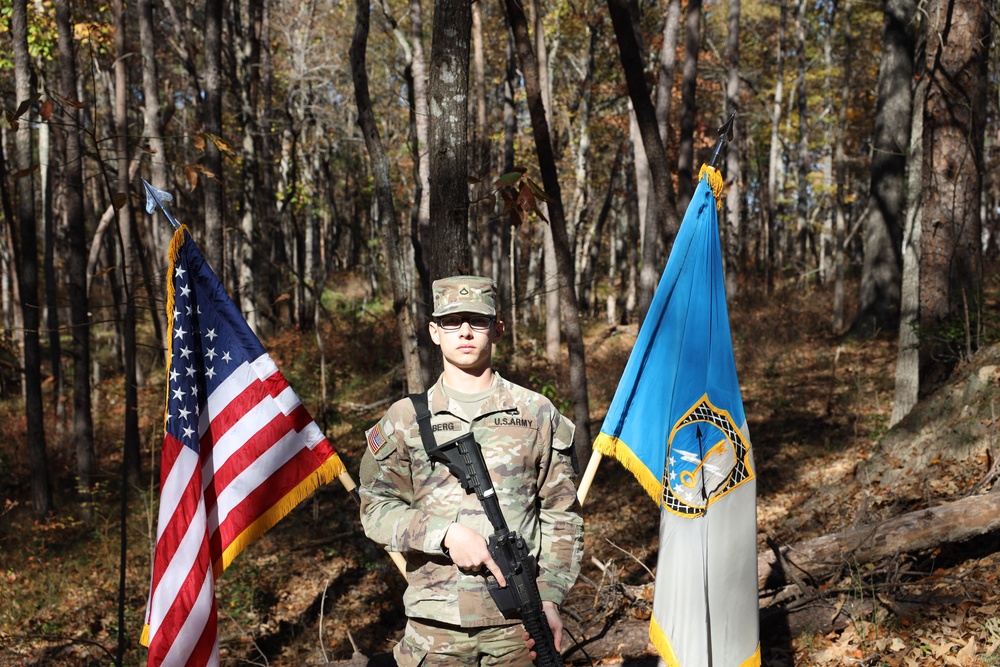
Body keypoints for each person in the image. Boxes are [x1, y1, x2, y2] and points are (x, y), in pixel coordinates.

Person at [359, 275, 584, 666]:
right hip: (434, 630)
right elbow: (375, 509)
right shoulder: (405, 419)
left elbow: (561, 516)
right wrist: (443, 534)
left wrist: (550, 596)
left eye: (477, 321)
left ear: (497, 329)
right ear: (434, 331)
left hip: (517, 627)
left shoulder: (536, 413)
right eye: (452, 321)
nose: (465, 331)